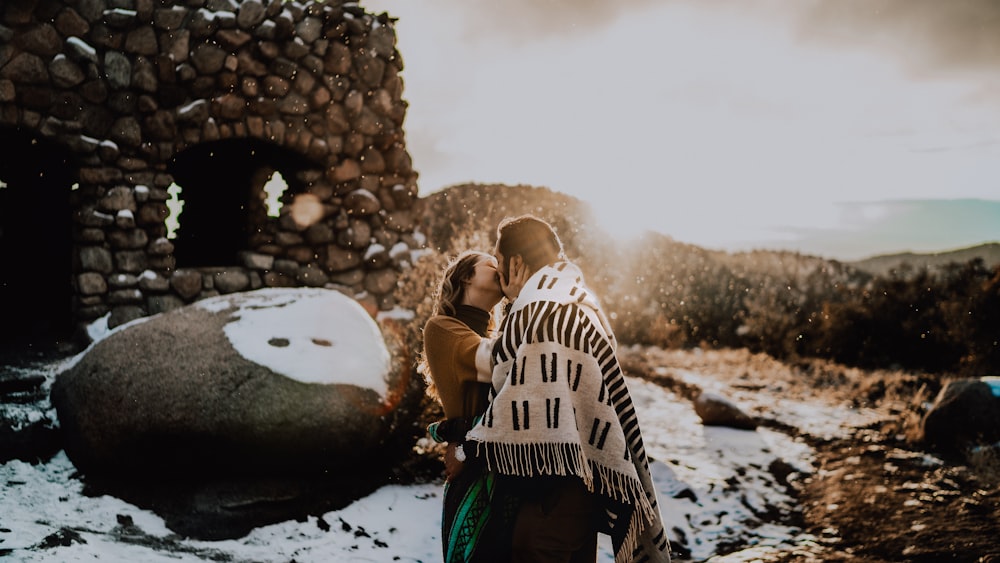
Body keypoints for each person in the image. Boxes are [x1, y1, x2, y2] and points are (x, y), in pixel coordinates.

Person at [457, 215, 672, 563]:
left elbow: (519, 403)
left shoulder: (540, 310)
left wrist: (465, 449)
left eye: (499, 265)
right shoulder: (577, 300)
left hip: (548, 498)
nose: (499, 276)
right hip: (584, 492)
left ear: (516, 263)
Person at [421, 249, 528, 563]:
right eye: (492, 264)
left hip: (504, 468)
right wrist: (521, 299)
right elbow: (501, 362)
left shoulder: (495, 334)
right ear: (466, 276)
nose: (501, 268)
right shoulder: (441, 327)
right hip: (473, 474)